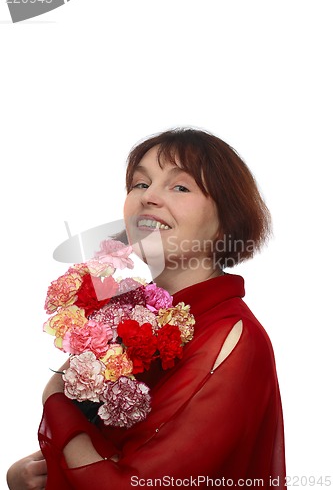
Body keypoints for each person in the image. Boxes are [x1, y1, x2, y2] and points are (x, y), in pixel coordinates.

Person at [7, 128, 286, 489]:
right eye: (139, 184)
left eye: (180, 187)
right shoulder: (130, 318)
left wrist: (54, 399)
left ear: (225, 224)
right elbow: (107, 446)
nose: (148, 197)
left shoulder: (230, 337)